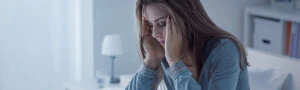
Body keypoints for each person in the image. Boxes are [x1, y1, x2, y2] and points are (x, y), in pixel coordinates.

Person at [126, 0, 250, 90]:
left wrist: (175, 63)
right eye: (151, 25)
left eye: (162, 23)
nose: (154, 34)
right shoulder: (163, 51)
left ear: (186, 18)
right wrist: (151, 59)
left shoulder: (225, 50)